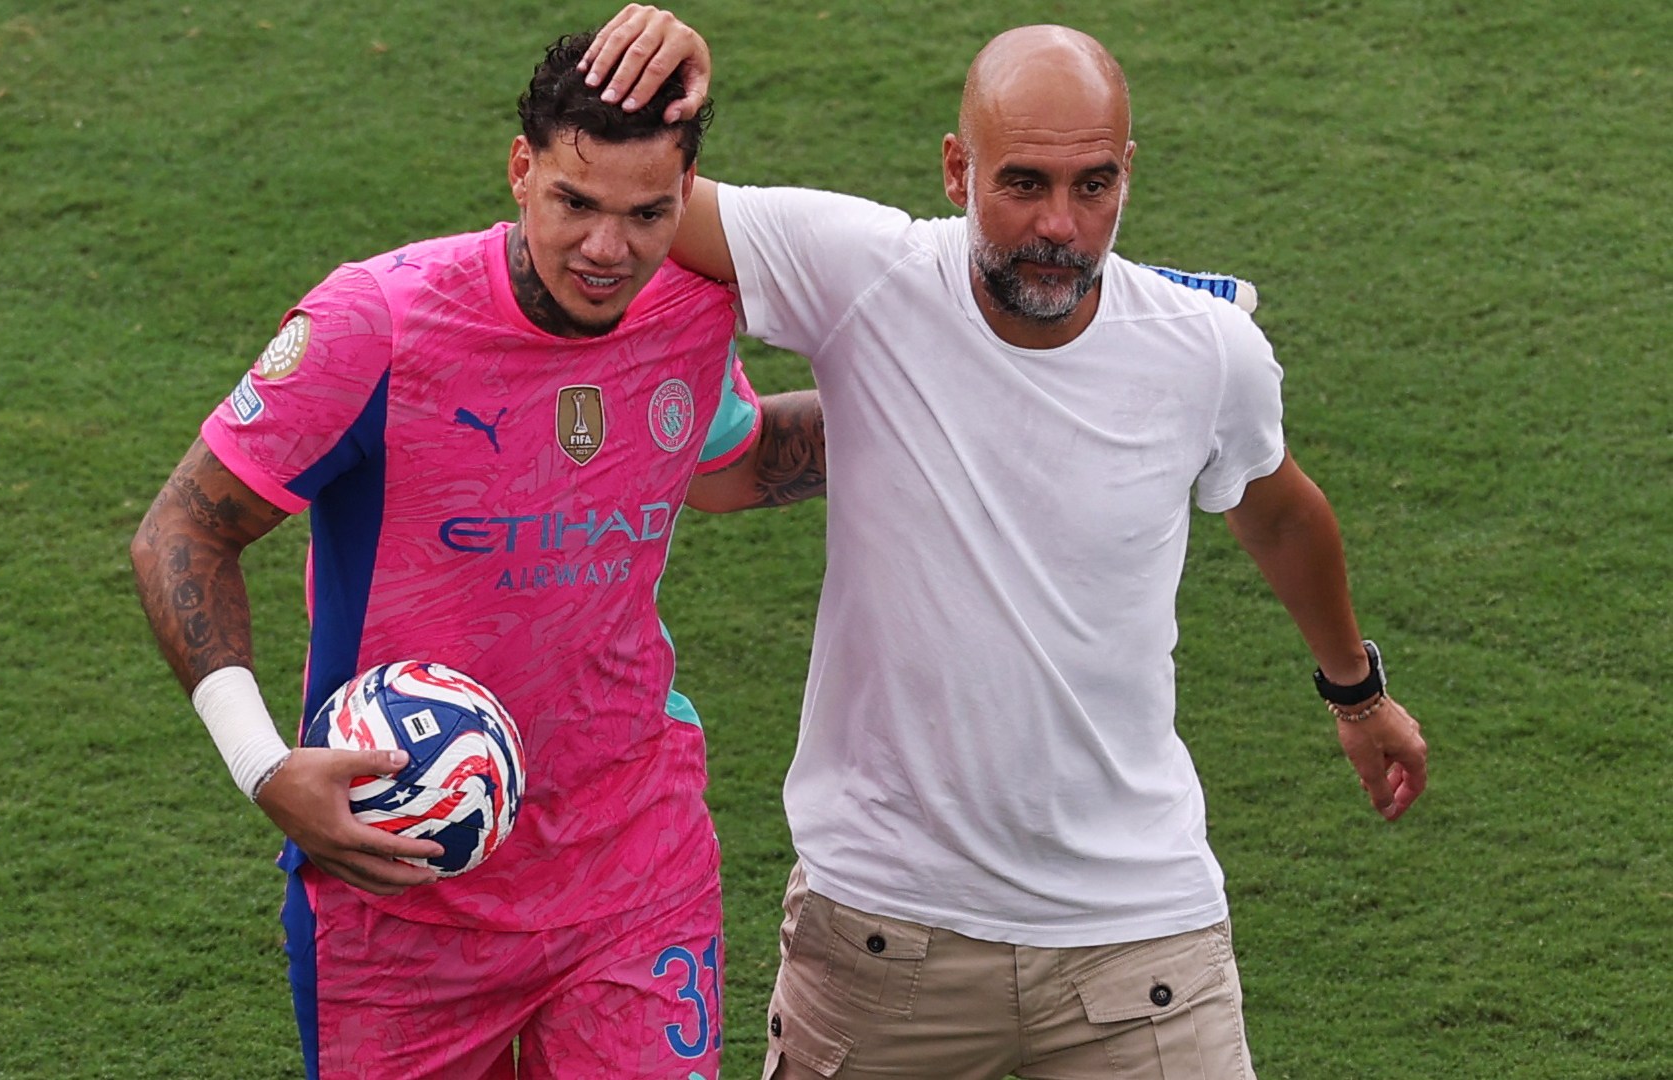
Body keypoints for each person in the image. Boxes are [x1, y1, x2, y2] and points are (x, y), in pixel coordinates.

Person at [586, 8, 1430, 1078]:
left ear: (1128, 173)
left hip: (1141, 941)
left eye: (1092, 186)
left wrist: (1356, 693)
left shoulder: (1206, 351)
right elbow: (619, 197)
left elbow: (1275, 510)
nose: (1059, 226)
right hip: (883, 939)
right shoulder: (864, 275)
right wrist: (663, 84)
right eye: (1023, 183)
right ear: (957, 169)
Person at [127, 30, 829, 1080]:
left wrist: (936, 401)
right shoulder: (377, 325)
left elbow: (727, 464)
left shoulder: (690, 305)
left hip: (633, 861)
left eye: (647, 214)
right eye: (574, 202)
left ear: (687, 196)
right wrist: (262, 765)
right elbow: (182, 530)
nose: (607, 248)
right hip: (399, 887)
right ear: (519, 169)